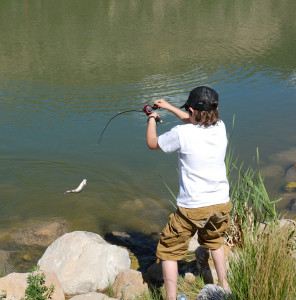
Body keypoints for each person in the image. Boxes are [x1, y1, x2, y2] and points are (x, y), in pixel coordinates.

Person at [146, 86, 232, 300]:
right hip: (221, 202)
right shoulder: (220, 126)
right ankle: (224, 285)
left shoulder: (181, 133)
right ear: (215, 108)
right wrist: (168, 106)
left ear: (192, 110)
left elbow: (152, 143)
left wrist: (152, 119)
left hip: (192, 206)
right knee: (215, 242)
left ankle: (171, 297)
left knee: (168, 250)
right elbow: (192, 119)